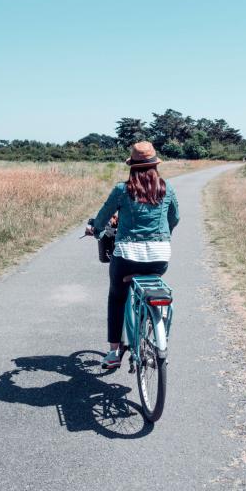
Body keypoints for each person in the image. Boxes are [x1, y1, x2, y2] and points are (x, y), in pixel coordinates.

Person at [86, 141, 179, 370]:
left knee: (117, 297)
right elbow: (174, 218)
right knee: (153, 285)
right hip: (159, 257)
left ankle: (114, 352)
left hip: (127, 256)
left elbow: (102, 217)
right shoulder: (167, 189)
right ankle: (156, 334)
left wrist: (95, 230)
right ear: (155, 166)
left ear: (133, 166)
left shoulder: (122, 190)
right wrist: (161, 236)